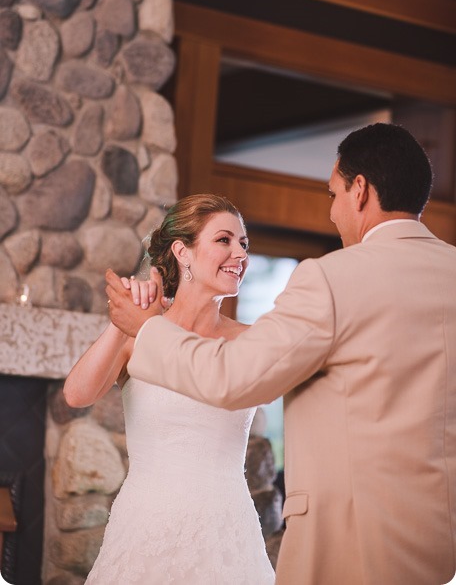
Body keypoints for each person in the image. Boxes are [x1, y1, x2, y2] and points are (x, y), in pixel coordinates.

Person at [106, 123, 456, 585]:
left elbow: (234, 379)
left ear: (360, 190)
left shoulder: (332, 278)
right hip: (439, 539)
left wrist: (146, 330)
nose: (332, 215)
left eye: (332, 196)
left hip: (350, 539)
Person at [63, 194, 275, 585]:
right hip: (145, 527)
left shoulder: (252, 341)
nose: (239, 253)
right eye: (224, 240)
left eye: (244, 243)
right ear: (183, 252)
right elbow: (77, 395)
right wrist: (123, 320)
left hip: (226, 534)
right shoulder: (140, 331)